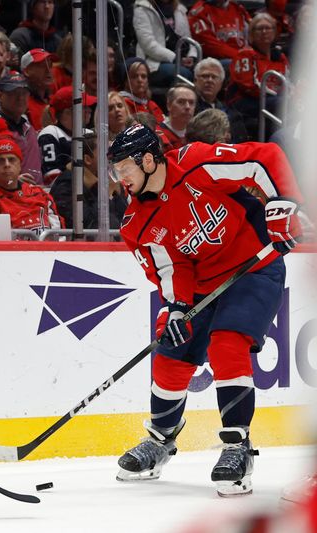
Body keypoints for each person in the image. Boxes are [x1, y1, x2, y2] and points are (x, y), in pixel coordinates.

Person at [107, 123, 304, 496]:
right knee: (170, 354)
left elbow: (264, 159)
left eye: (124, 167)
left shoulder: (197, 162)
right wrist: (176, 309)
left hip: (254, 268)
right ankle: (161, 440)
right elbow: (170, 267)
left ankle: (236, 447)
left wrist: (284, 202)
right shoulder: (136, 223)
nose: (120, 178)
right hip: (200, 289)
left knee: (227, 343)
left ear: (149, 159)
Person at [0, 117, 63, 232]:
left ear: (20, 165)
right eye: (0, 160)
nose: (7, 164)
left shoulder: (40, 195)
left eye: (11, 159)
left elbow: (59, 235)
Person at [226, 12, 289, 139]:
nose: (264, 31)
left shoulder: (280, 57)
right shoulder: (245, 54)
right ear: (252, 33)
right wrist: (279, 95)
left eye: (268, 28)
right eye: (259, 28)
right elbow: (249, 86)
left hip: (269, 100)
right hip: (244, 101)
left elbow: (287, 81)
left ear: (274, 32)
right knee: (283, 102)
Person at [50, 132, 127, 233]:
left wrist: (115, 194)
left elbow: (126, 221)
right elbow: (90, 227)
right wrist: (99, 189)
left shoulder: (111, 181)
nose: (112, 157)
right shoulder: (68, 185)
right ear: (88, 159)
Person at [37, 86, 97, 184]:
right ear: (68, 112)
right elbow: (51, 176)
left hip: (91, 191)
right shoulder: (50, 134)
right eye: (84, 107)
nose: (89, 110)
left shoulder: (89, 133)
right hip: (64, 194)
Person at [133, 0, 196, 88]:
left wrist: (192, 56)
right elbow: (148, 45)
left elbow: (189, 39)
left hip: (181, 59)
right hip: (154, 63)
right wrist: (175, 58)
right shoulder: (142, 9)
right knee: (183, 74)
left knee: (206, 71)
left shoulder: (179, 9)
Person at [189, 0, 250, 67]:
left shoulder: (238, 8)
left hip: (242, 56)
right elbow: (211, 46)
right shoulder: (199, 11)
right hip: (214, 61)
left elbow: (254, 34)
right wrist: (241, 56)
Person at [120, 58, 165, 125]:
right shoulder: (122, 104)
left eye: (143, 76)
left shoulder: (152, 105)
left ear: (148, 81)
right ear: (126, 81)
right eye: (134, 76)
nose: (140, 80)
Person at [20, 48, 54, 131]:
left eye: (50, 65)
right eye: (42, 66)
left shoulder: (54, 101)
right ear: (27, 71)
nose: (48, 70)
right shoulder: (21, 103)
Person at [158, 84, 197, 150]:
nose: (187, 107)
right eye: (181, 102)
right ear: (169, 105)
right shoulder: (158, 134)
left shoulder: (198, 135)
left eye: (191, 102)